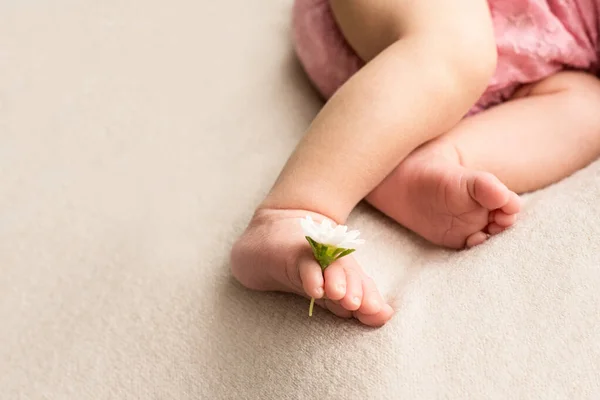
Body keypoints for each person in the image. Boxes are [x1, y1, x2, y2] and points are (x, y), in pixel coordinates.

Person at [230, 0, 600, 327]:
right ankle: (294, 209)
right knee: (455, 51)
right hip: (423, 24)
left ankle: (426, 162)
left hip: (520, 64)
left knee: (589, 111)